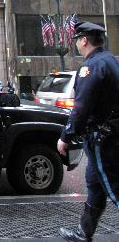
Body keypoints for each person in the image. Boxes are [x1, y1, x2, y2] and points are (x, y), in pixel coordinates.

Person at [57, 22, 119, 242]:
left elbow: (81, 107)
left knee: (113, 186)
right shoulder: (111, 60)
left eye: (77, 39)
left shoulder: (90, 67)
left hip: (103, 139)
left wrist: (66, 136)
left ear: (84, 40)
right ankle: (84, 233)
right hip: (109, 136)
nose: (75, 43)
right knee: (94, 184)